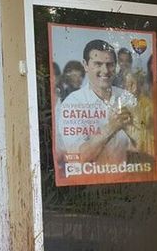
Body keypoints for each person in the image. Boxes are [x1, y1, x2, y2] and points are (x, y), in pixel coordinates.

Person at [55, 39, 139, 171]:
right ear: (85, 65)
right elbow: (79, 157)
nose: (105, 70)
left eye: (110, 64)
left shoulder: (127, 98)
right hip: (86, 183)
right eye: (98, 64)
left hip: (124, 179)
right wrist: (112, 127)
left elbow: (144, 147)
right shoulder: (73, 103)